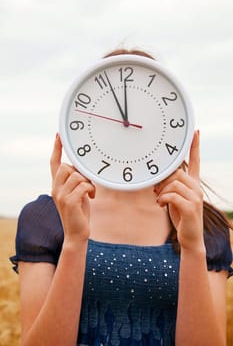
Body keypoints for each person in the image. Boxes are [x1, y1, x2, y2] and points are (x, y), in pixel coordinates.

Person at [10, 49, 233, 346]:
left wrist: (193, 248)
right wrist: (75, 242)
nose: (126, 125)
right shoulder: (47, 219)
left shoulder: (204, 226)